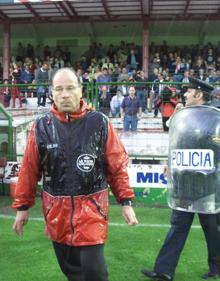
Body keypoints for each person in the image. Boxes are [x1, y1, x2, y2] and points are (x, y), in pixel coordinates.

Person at [12, 68, 138, 281]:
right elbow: (29, 169)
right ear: (52, 93)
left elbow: (117, 166)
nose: (65, 94)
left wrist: (125, 201)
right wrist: (22, 207)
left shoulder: (99, 122)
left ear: (81, 91)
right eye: (59, 89)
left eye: (70, 88)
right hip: (56, 213)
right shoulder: (41, 126)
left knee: (95, 272)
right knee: (71, 272)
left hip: (92, 210)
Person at [142, 77, 220, 281]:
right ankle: (163, 271)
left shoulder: (214, 117)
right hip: (185, 185)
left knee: (213, 230)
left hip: (207, 185)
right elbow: (178, 141)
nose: (184, 94)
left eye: (189, 91)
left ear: (199, 94)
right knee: (178, 226)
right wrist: (172, 163)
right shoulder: (184, 116)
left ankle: (217, 267)